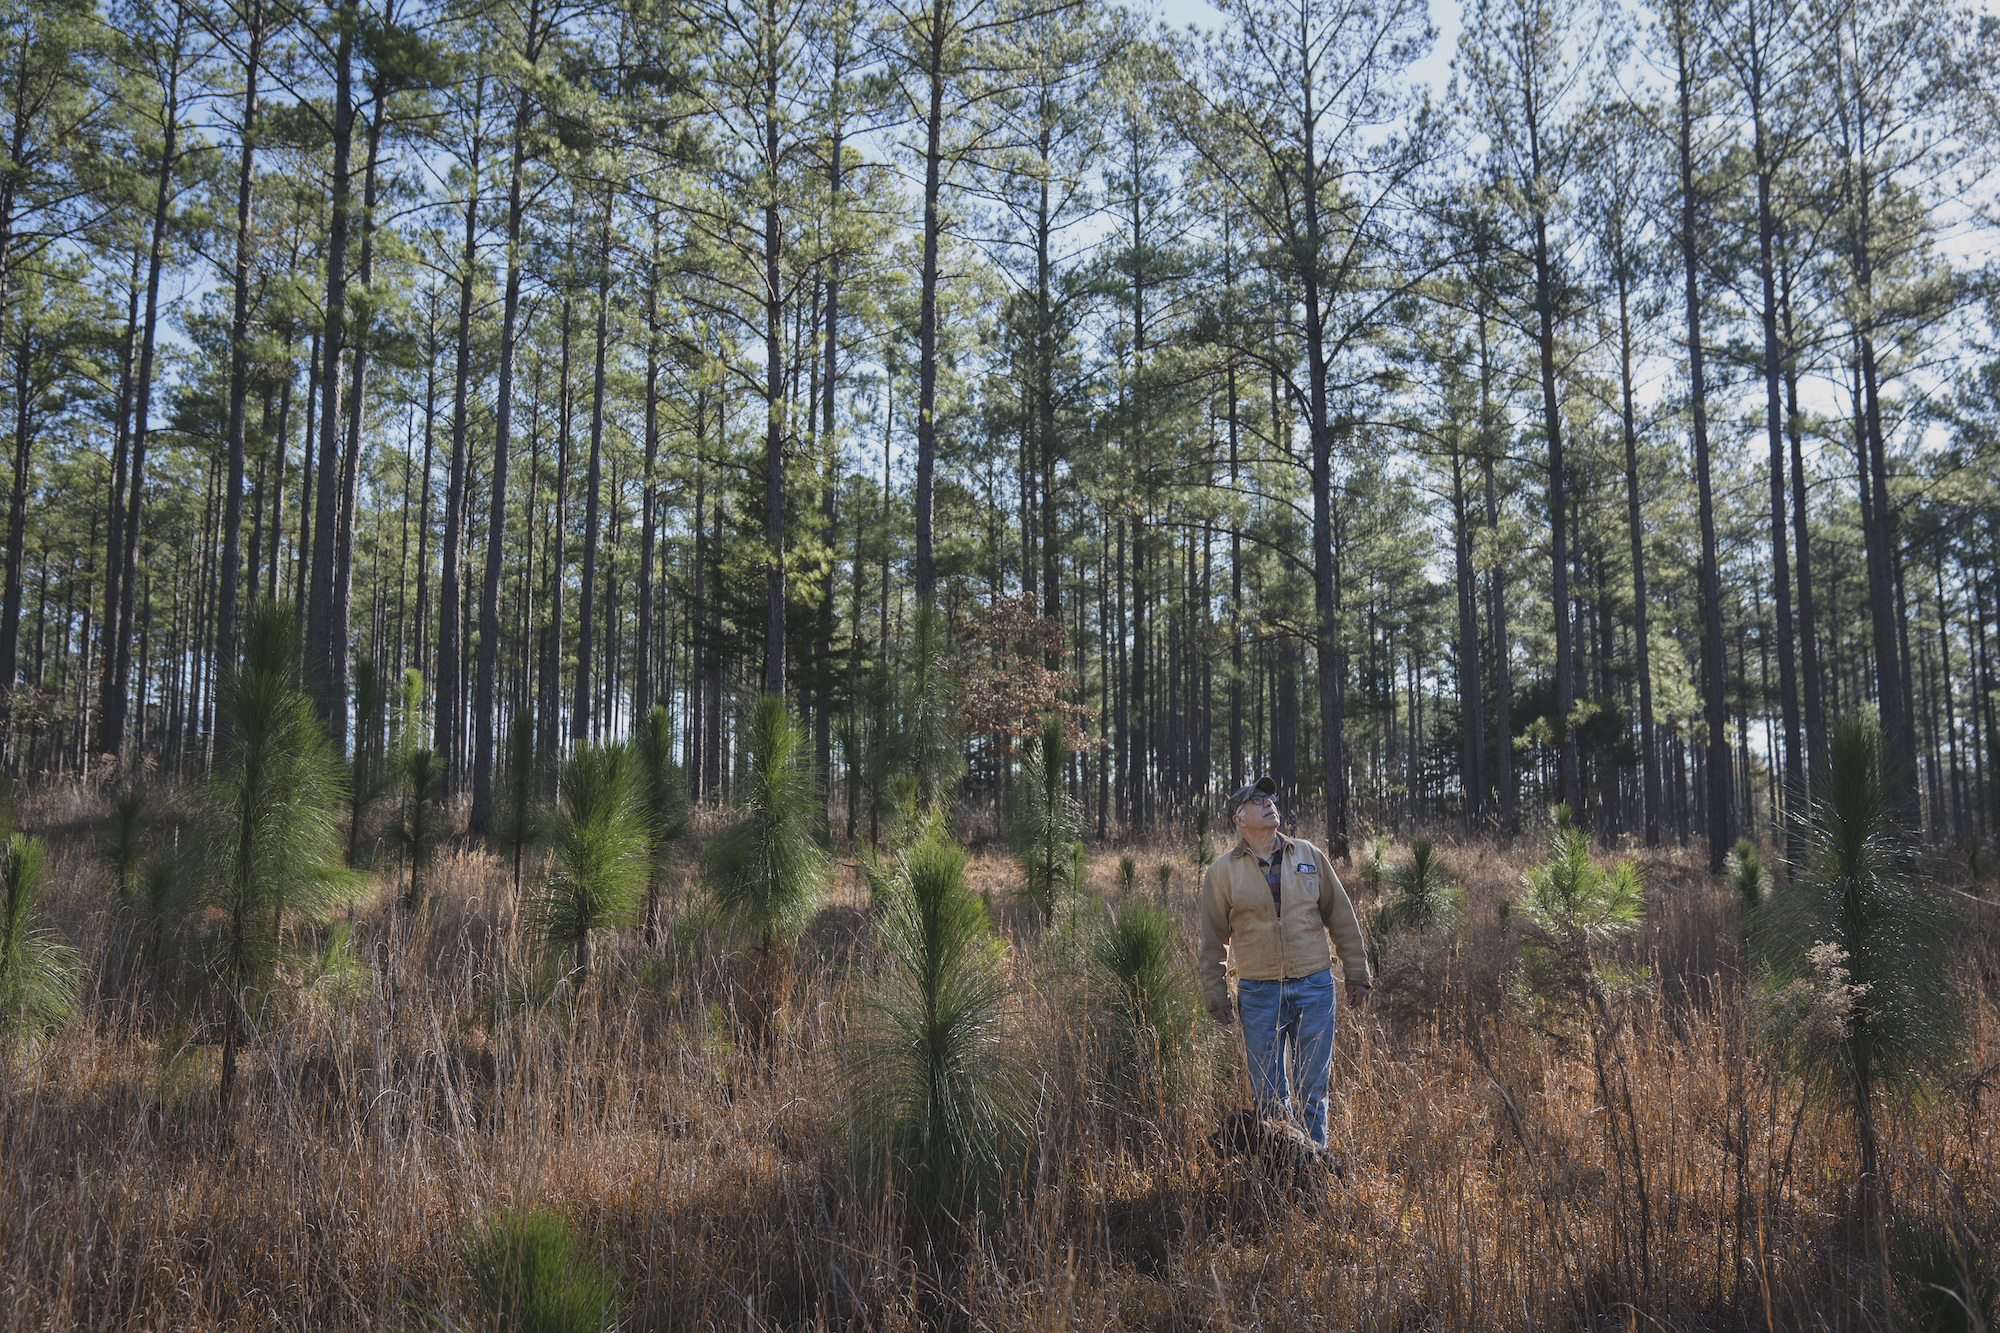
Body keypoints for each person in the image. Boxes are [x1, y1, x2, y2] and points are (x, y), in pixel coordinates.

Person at [1197, 775, 1371, 1149]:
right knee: (1270, 1095)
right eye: (1257, 800)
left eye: (1270, 797)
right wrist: (1216, 994)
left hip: (1314, 987)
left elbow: (1342, 917)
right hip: (1258, 993)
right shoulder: (1222, 872)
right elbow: (1212, 940)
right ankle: (1285, 1171)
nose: (1269, 802)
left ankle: (1316, 1171)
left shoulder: (1308, 855)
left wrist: (1357, 973)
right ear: (1238, 820)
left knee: (1313, 1088)